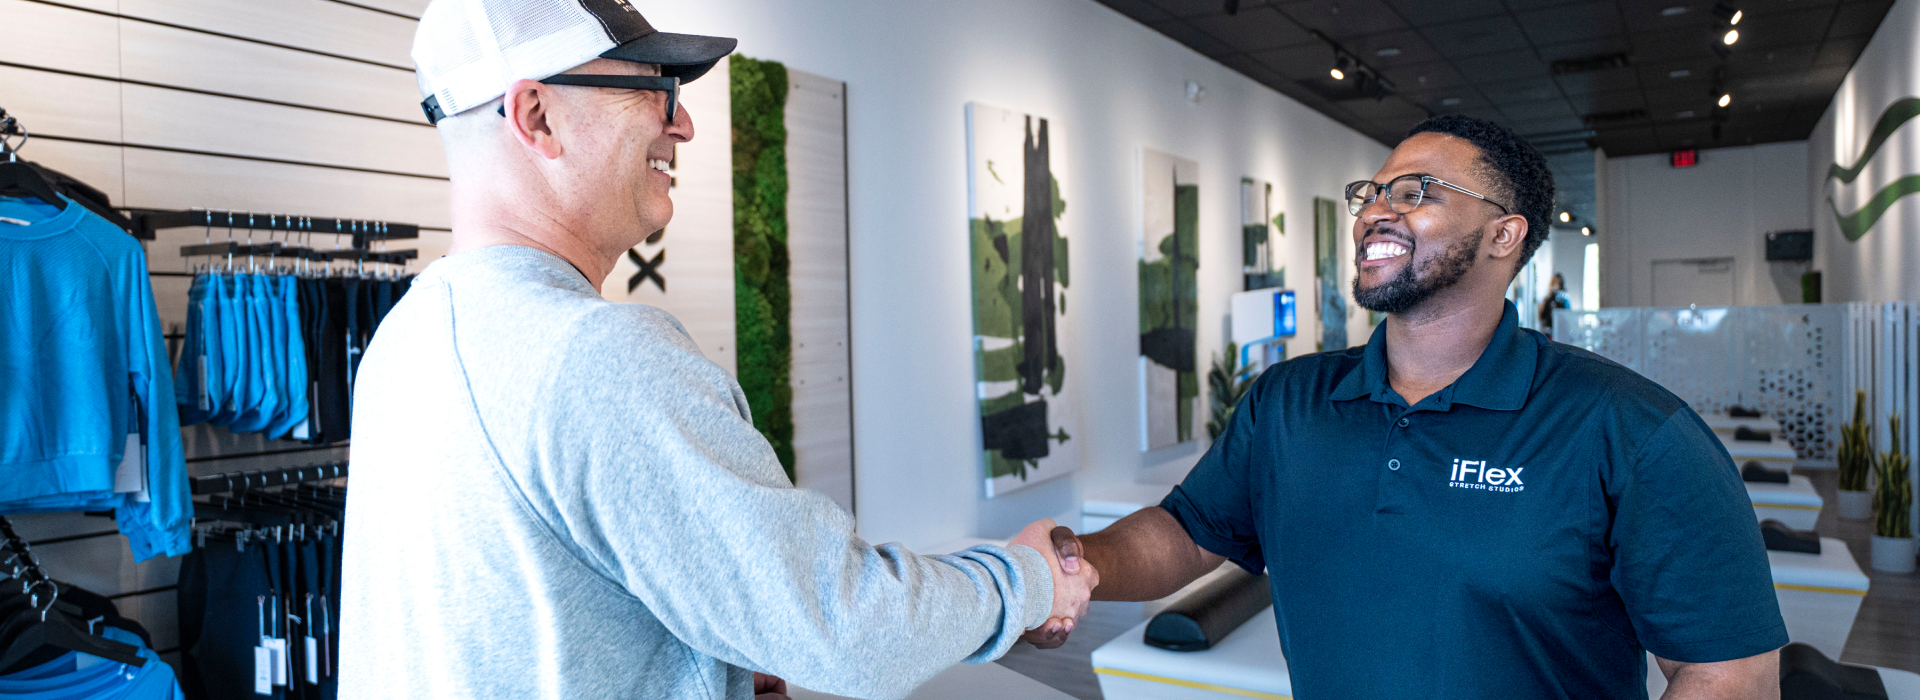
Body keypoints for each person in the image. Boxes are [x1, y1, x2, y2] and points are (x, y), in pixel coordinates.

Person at [337, 2, 1095, 698]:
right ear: (538, 116)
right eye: (653, 89)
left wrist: (710, 665)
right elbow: (852, 629)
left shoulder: (403, 343)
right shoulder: (592, 355)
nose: (684, 124)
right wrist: (1027, 578)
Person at [1026, 115, 1786, 699]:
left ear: (1504, 234)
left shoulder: (1631, 428)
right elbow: (1188, 534)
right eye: (1372, 193)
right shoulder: (1288, 401)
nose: (1375, 212)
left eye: (1416, 192)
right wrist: (1073, 564)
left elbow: (1731, 674)